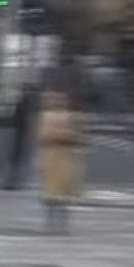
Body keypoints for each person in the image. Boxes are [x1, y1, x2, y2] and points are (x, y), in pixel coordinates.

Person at [37, 82, 83, 234]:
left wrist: (65, 136)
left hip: (65, 158)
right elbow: (44, 135)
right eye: (54, 99)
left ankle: (62, 224)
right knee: (50, 193)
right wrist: (61, 135)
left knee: (63, 193)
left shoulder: (71, 116)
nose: (57, 102)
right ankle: (50, 223)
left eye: (60, 99)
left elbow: (77, 135)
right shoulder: (46, 116)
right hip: (51, 158)